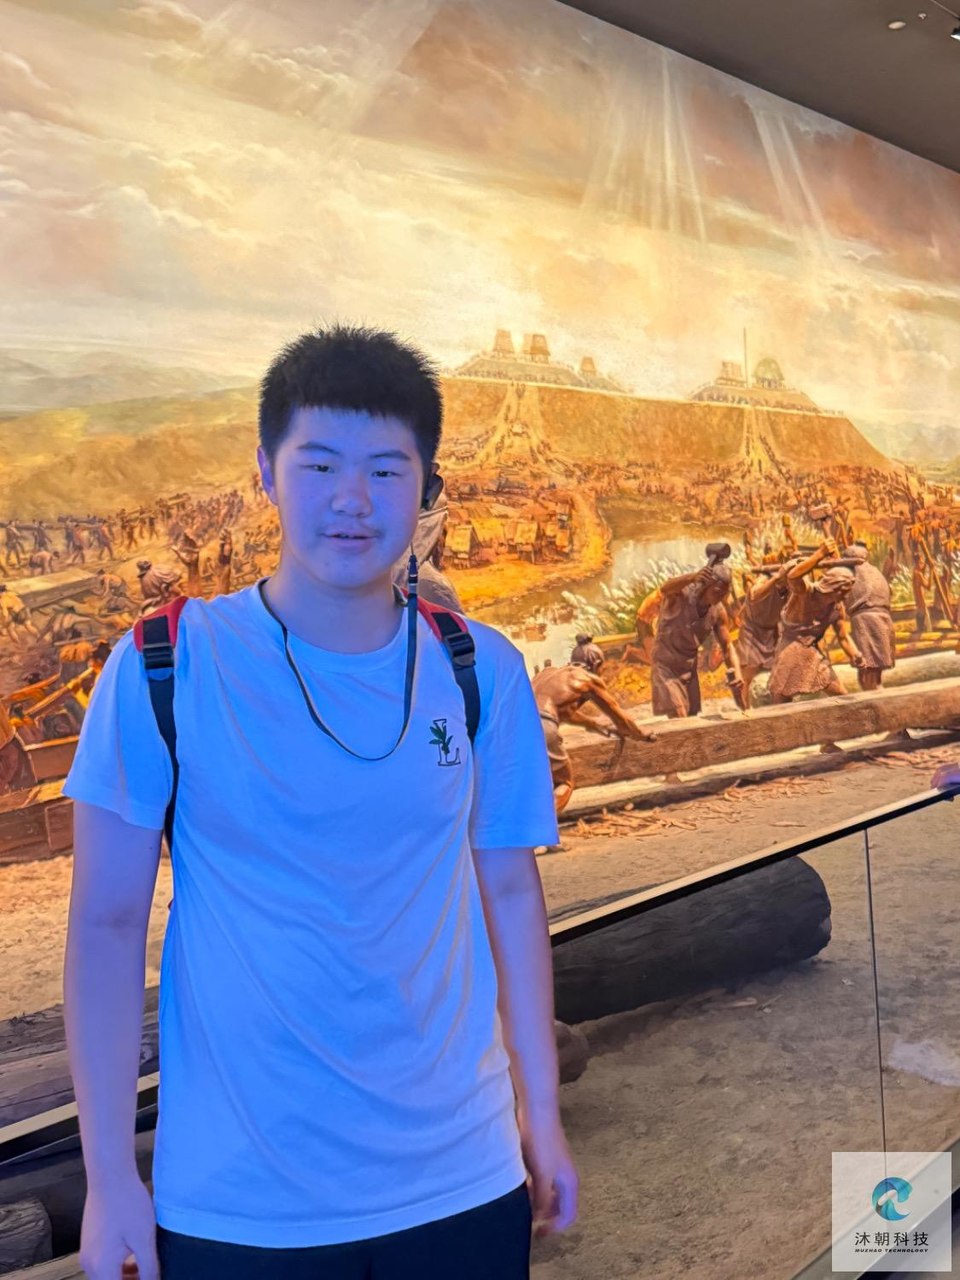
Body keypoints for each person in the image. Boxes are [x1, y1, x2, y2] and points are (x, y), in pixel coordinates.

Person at [63, 324, 576, 1280]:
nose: (352, 499)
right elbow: (105, 924)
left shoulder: (482, 672)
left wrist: (539, 1115)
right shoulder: (166, 667)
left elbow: (509, 894)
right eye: (320, 464)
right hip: (241, 1203)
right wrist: (108, 1178)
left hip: (462, 1176)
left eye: (386, 470)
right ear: (267, 472)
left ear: (424, 489)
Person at [650, 564, 744, 717]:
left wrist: (738, 673)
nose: (720, 597)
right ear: (707, 585)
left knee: (692, 717)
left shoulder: (718, 611)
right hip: (666, 667)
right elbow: (665, 588)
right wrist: (692, 577)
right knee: (679, 715)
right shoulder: (681, 596)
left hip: (689, 668)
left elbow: (727, 646)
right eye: (717, 591)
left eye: (724, 593)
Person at [844, 543, 896, 691]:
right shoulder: (874, 571)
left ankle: (873, 697)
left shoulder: (851, 572)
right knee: (873, 670)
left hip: (866, 621)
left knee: (868, 669)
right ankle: (875, 692)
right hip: (882, 619)